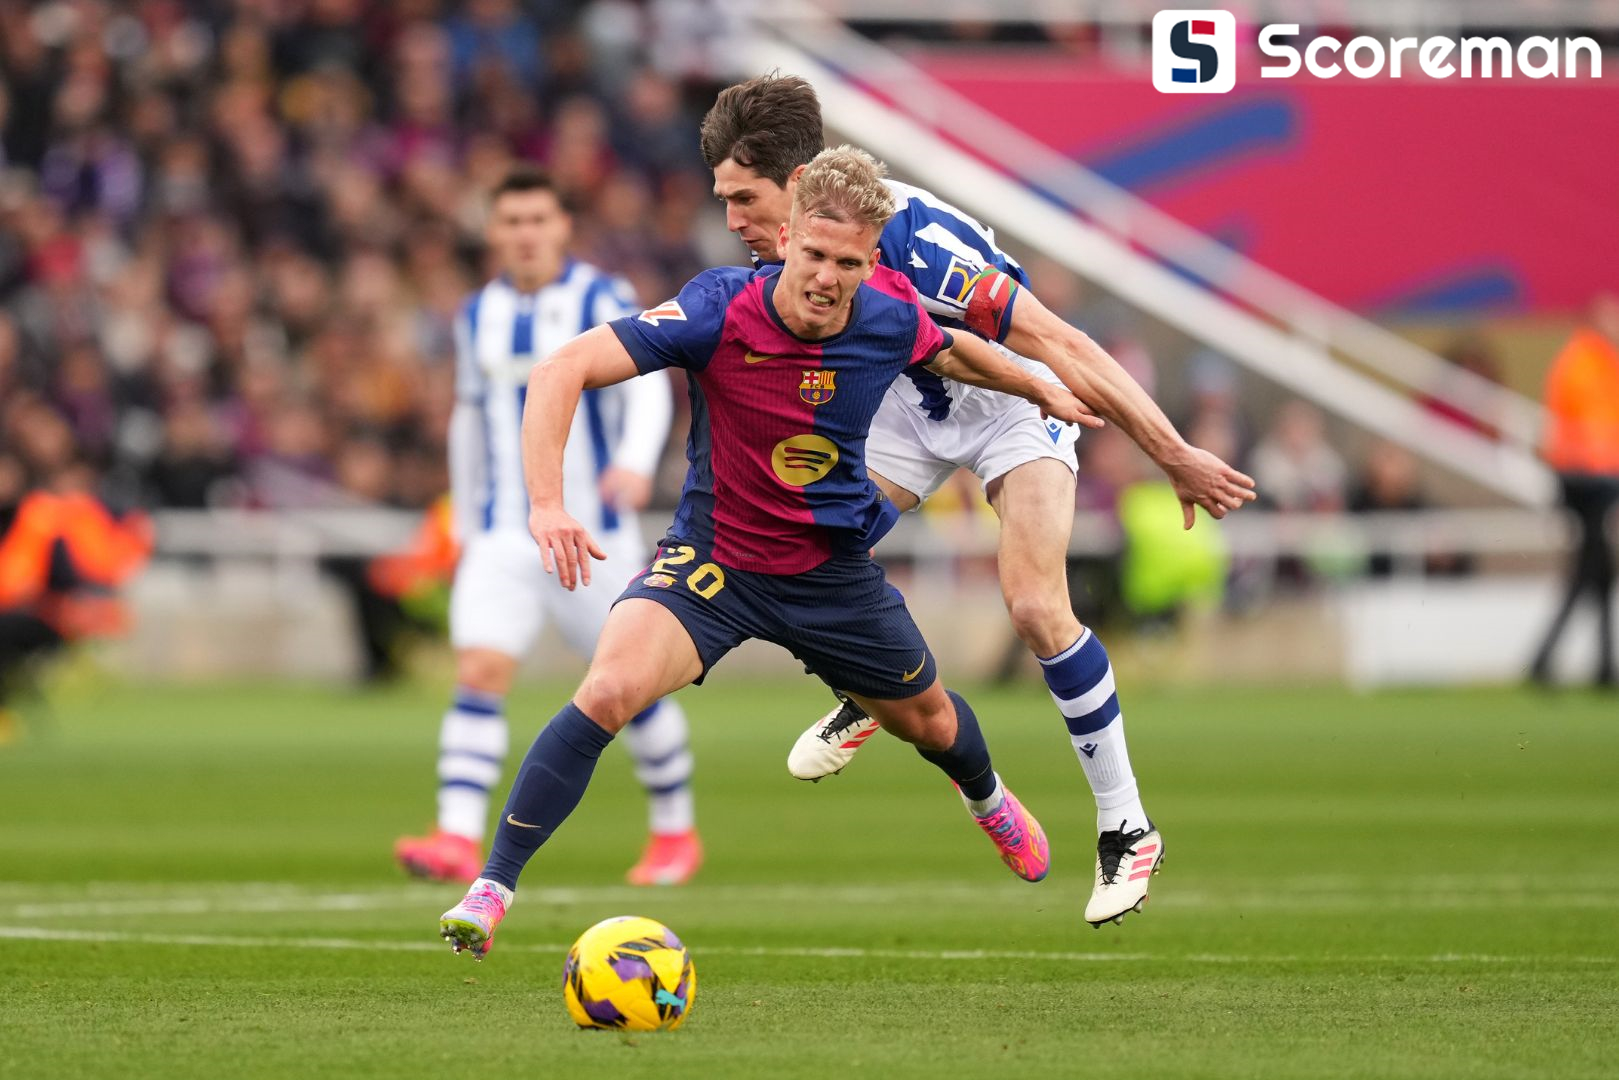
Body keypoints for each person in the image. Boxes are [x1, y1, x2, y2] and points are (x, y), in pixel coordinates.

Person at [437, 147, 1102, 959]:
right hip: (713, 564)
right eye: (814, 255)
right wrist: (547, 502)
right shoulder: (717, 307)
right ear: (785, 240)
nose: (826, 277)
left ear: (870, 261)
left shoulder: (889, 312)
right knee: (608, 688)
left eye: (848, 263)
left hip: (828, 574)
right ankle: (491, 889)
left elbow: (952, 351)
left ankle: (987, 795)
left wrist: (1037, 387)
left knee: (928, 722)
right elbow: (561, 367)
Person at [699, 74, 1256, 927]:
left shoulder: (920, 244)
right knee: (810, 552)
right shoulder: (790, 243)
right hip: (907, 402)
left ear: (797, 176)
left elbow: (1059, 342)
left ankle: (1126, 827)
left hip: (1010, 403)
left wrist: (1172, 453)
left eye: (743, 197)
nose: (733, 219)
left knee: (1035, 605)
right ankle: (872, 687)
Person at [394, 167, 703, 888]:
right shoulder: (477, 315)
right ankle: (456, 837)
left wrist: (630, 464)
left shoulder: (601, 297)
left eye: (538, 219)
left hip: (592, 532)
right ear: (493, 231)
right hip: (506, 533)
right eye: (511, 221)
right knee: (478, 670)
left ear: (563, 226)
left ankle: (674, 831)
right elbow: (469, 417)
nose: (525, 234)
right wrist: (466, 520)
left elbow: (652, 384)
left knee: (632, 684)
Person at [1528, 294, 1619, 689]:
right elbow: (1591, 429)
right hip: (1585, 479)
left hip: (1596, 478)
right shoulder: (1584, 362)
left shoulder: (1599, 360)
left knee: (1596, 571)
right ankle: (1552, 661)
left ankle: (1593, 663)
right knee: (1592, 569)